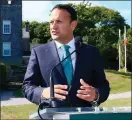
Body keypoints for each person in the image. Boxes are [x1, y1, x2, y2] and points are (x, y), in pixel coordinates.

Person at [22, 4, 110, 107]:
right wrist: (43, 92)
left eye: (58, 22)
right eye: (51, 22)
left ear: (73, 25)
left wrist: (96, 94)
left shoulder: (91, 52)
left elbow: (103, 86)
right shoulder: (39, 53)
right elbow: (27, 86)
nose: (53, 26)